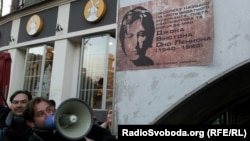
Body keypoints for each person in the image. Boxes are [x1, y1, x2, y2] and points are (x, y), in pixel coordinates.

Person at [23, 97, 117, 141]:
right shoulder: (34, 139)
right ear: (31, 122)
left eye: (49, 110)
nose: (49, 115)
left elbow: (99, 132)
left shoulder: (67, 121)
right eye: (41, 114)